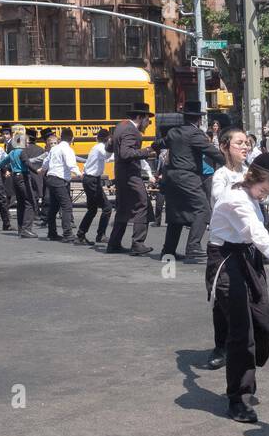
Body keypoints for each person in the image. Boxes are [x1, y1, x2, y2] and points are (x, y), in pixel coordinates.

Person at [207, 152, 269, 423]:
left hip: (249, 259)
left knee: (266, 323)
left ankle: (244, 368)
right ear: (252, 178)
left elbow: (262, 224)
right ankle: (238, 398)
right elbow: (255, 232)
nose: (265, 196)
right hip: (226, 261)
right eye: (264, 190)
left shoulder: (253, 193)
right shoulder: (235, 198)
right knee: (242, 333)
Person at [203, 128, 253, 371]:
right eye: (239, 143)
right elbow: (219, 201)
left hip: (248, 246)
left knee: (253, 298)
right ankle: (221, 346)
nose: (245, 147)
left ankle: (247, 343)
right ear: (224, 147)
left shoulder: (250, 172)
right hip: (223, 249)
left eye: (247, 143)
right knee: (223, 299)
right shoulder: (221, 176)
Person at [159, 101, 223, 263]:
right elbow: (212, 152)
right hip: (187, 176)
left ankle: (168, 250)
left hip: (171, 177)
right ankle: (193, 247)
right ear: (198, 119)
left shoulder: (173, 132)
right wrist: (231, 163)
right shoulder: (196, 134)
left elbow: (158, 144)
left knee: (176, 214)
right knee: (203, 209)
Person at [106, 102, 158, 256]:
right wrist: (147, 151)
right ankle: (138, 243)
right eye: (147, 120)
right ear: (140, 117)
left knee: (123, 208)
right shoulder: (131, 130)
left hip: (121, 174)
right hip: (130, 174)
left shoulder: (120, 126)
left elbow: (109, 147)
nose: (148, 124)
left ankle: (114, 244)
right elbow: (126, 153)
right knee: (143, 204)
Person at [0, 125, 37, 239]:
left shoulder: (12, 152)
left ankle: (20, 229)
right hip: (23, 177)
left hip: (14, 178)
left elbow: (1, 163)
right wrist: (36, 171)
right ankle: (26, 229)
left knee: (21, 203)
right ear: (22, 142)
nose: (28, 144)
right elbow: (27, 163)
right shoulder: (22, 152)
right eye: (26, 142)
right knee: (30, 202)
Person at [39, 127, 81, 241]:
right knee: (67, 206)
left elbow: (46, 162)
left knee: (54, 207)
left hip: (50, 178)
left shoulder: (54, 148)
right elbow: (71, 164)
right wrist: (79, 174)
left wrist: (42, 169)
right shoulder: (67, 149)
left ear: (61, 138)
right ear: (72, 139)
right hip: (59, 180)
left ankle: (52, 232)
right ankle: (67, 233)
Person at [77, 128, 112, 245]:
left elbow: (108, 158)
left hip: (90, 179)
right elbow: (107, 156)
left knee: (92, 209)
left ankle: (81, 234)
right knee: (107, 208)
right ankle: (100, 235)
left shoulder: (96, 147)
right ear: (107, 139)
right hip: (92, 180)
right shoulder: (101, 148)